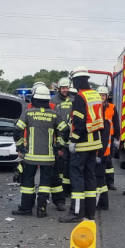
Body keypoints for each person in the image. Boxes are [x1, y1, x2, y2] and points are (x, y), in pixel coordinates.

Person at [11, 85, 68, 218]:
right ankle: (41, 209)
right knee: (45, 184)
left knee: (27, 183)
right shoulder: (54, 114)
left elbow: (17, 130)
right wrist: (59, 145)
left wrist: (20, 147)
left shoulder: (28, 113)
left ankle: (26, 208)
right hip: (48, 157)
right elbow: (65, 130)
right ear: (48, 99)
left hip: (30, 156)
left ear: (34, 98)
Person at [60, 67, 104, 223]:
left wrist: (73, 140)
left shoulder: (80, 97)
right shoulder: (96, 95)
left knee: (77, 177)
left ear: (77, 81)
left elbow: (79, 122)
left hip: (83, 144)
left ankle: (76, 213)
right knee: (90, 176)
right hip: (95, 142)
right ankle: (89, 213)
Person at [50, 76, 73, 210]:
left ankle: (68, 190)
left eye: (66, 88)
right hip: (59, 140)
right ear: (59, 89)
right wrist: (58, 143)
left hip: (72, 138)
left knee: (71, 167)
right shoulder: (53, 101)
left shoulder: (74, 100)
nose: (65, 90)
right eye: (63, 88)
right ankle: (62, 192)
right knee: (60, 168)